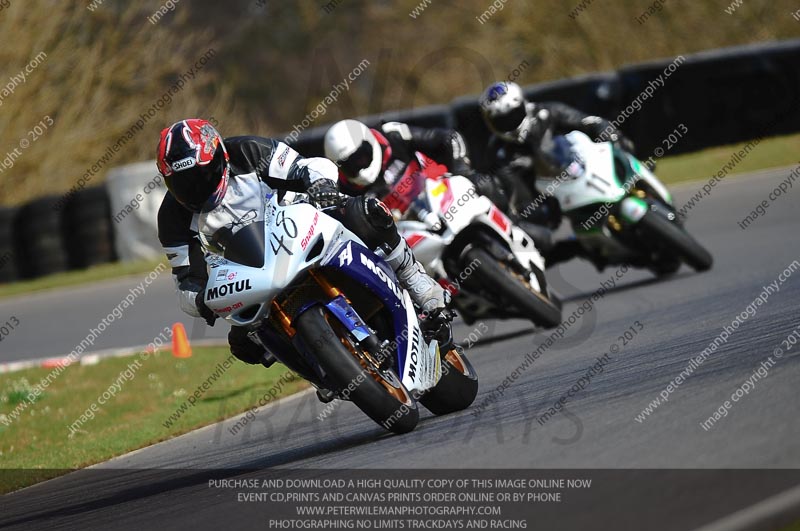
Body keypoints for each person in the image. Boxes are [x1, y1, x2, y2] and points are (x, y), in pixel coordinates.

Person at [156, 118, 451, 370]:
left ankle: (418, 282)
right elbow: (186, 280)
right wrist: (200, 300)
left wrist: (320, 185)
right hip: (253, 272)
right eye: (182, 183)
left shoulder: (247, 151)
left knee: (366, 212)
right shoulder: (172, 218)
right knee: (244, 344)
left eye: (201, 175)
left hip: (300, 226)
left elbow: (303, 167)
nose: (196, 188)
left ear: (219, 157)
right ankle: (319, 368)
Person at [479, 81, 636, 268]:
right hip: (547, 195)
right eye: (502, 121)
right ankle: (586, 248)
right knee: (537, 243)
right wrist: (527, 214)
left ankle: (636, 175)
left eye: (512, 116)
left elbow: (587, 121)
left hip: (580, 166)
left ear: (523, 104)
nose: (509, 124)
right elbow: (512, 193)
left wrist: (606, 132)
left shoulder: (547, 113)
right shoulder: (499, 153)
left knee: (620, 144)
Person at [323, 119, 508, 210]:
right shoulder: (344, 189)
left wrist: (462, 170)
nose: (360, 166)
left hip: (442, 193)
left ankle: (515, 224)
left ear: (369, 142)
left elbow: (449, 137)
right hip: (407, 233)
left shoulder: (392, 134)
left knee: (483, 183)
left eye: (361, 157)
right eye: (351, 164)